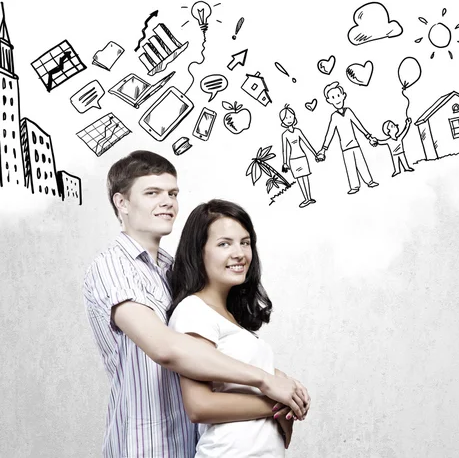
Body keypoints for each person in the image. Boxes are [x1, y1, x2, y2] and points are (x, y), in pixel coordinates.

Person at [83, 150, 309, 457]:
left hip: (188, 443)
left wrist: (277, 379)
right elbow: (166, 349)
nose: (167, 202)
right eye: (152, 193)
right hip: (144, 443)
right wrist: (265, 382)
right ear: (121, 203)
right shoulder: (113, 266)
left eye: (172, 193)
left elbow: (214, 350)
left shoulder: (172, 269)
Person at [168, 199, 294, 457]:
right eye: (224, 243)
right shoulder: (193, 311)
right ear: (198, 251)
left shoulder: (231, 318)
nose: (239, 253)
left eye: (245, 242)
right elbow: (199, 406)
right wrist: (276, 401)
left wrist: (287, 389)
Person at [317, 81, 379, 194]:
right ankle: (354, 186)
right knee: (350, 166)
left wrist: (368, 136)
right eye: (333, 97)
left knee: (361, 163)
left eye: (338, 95)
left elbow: (358, 124)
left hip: (355, 144)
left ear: (343, 95)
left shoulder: (349, 111)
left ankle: (369, 181)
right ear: (329, 100)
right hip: (345, 147)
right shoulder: (334, 116)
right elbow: (330, 133)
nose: (337, 99)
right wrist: (324, 149)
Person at [279, 104, 318, 208]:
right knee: (300, 179)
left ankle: (309, 198)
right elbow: (285, 149)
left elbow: (306, 143)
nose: (288, 119)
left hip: (302, 157)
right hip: (293, 160)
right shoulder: (285, 135)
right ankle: (306, 198)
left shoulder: (298, 131)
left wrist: (315, 154)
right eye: (286, 118)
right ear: (283, 121)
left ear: (294, 117)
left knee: (306, 177)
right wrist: (285, 163)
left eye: (290, 116)